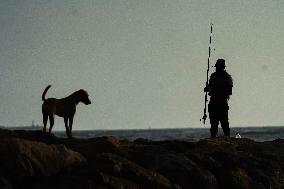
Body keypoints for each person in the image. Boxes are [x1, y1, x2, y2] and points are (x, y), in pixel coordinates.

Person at [204, 59, 233, 138]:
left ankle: (227, 137)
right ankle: (213, 138)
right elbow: (209, 87)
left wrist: (213, 90)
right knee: (214, 123)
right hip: (214, 101)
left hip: (221, 102)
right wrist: (208, 89)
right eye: (217, 67)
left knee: (224, 122)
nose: (217, 68)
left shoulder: (227, 77)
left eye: (218, 67)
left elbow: (229, 91)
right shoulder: (213, 76)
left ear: (222, 67)